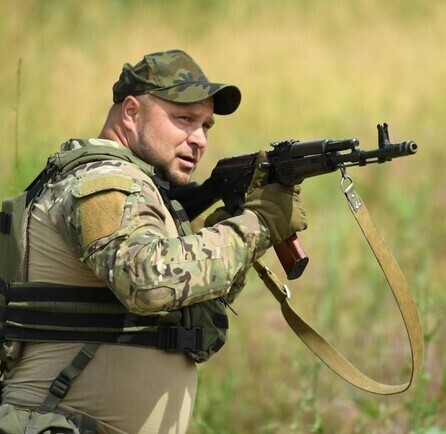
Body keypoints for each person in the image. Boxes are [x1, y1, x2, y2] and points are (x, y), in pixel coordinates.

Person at [0, 49, 307, 433]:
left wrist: (230, 228)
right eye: (184, 120)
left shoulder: (146, 192)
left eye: (206, 126)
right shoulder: (104, 181)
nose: (199, 140)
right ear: (131, 112)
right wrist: (256, 225)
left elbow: (192, 303)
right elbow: (149, 282)